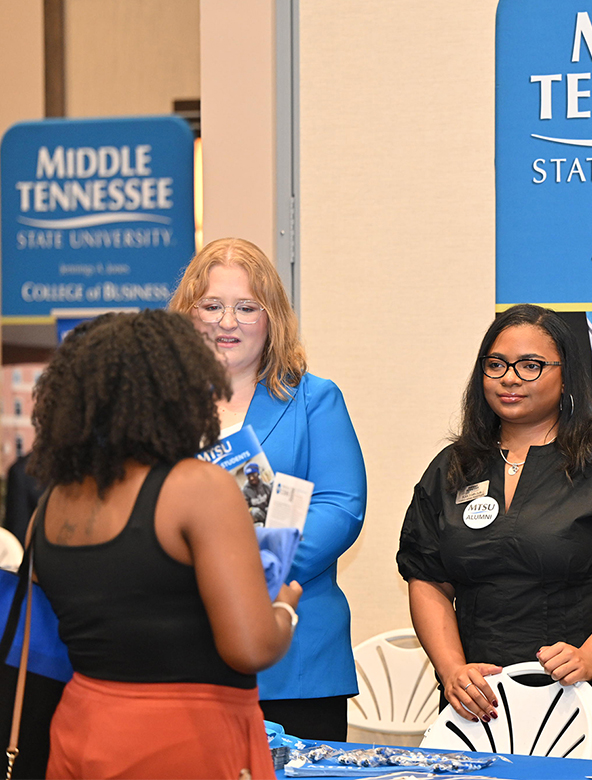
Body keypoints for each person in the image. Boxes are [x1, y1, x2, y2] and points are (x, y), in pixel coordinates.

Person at [397, 304, 592, 762]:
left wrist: (591, 656)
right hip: (479, 707)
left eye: (530, 365)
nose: (510, 377)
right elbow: (427, 577)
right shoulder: (452, 469)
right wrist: (451, 669)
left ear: (566, 375)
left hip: (587, 701)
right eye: (496, 365)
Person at [27, 310, 299, 778]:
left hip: (80, 728)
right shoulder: (199, 488)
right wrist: (284, 609)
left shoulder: (51, 504)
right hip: (184, 740)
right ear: (179, 389)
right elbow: (251, 648)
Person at [170, 237, 366, 740]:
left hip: (297, 653)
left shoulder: (315, 399)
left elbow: (341, 507)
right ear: (187, 314)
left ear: (272, 316)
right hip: (182, 644)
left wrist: (255, 572)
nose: (227, 322)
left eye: (246, 307)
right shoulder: (159, 405)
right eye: (211, 305)